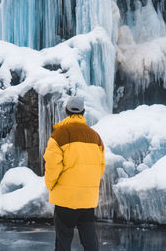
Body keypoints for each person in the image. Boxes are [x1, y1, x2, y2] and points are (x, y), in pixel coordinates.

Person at [43, 96, 105, 251]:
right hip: (87, 199)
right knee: (90, 241)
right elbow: (100, 167)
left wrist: (51, 185)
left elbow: (52, 166)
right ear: (83, 112)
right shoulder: (95, 137)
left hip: (65, 199)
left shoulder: (58, 135)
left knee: (63, 240)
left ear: (66, 111)